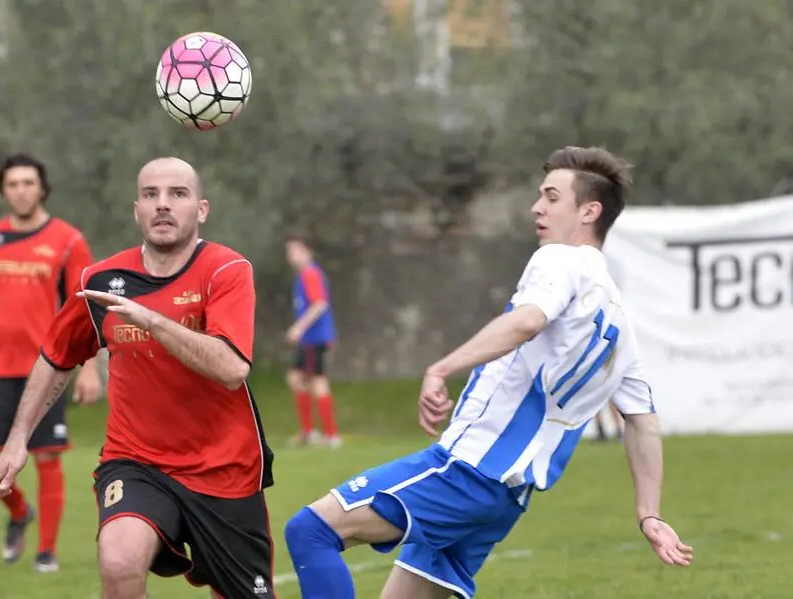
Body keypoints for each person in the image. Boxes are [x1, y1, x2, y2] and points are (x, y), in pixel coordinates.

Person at [284, 146, 693, 599]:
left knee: (310, 532)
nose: (537, 207)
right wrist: (648, 514)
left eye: (552, 197)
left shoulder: (560, 259)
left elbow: (527, 321)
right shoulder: (619, 320)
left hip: (465, 472)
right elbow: (643, 421)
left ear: (589, 211)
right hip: (504, 500)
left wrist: (442, 368)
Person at [0, 157, 275, 599]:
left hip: (225, 470)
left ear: (201, 209)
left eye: (178, 194)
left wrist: (152, 320)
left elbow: (232, 369)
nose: (162, 205)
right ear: (135, 209)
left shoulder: (226, 271)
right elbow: (56, 356)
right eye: (150, 195)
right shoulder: (102, 281)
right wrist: (18, 438)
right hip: (137, 462)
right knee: (118, 562)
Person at [0, 153, 103, 572]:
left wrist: (90, 367)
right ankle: (18, 512)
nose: (21, 190)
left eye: (29, 182)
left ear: (42, 188)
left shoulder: (67, 240)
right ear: (4, 191)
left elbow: (87, 308)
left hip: (47, 366)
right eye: (13, 184)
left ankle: (46, 552)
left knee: (47, 455)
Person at [284, 233, 341, 448]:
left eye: (296, 250)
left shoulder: (310, 274)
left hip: (313, 338)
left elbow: (319, 304)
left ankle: (329, 435)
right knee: (297, 378)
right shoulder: (304, 275)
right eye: (289, 252)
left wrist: (299, 328)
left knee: (316, 381)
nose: (292, 256)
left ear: (307, 251)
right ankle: (311, 432)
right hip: (311, 339)